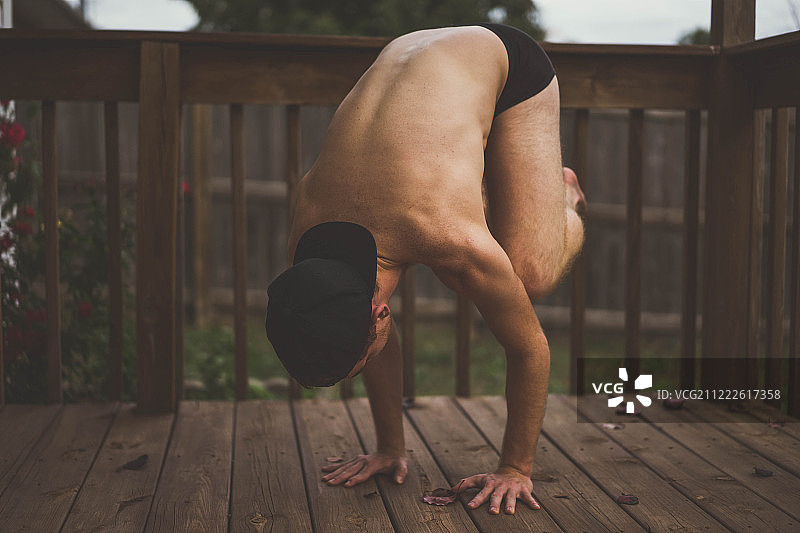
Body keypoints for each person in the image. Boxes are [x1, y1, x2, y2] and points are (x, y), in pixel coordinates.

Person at [266, 23, 585, 516]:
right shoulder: (308, 255)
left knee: (529, 276)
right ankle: (496, 190)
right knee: (466, 234)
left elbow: (530, 349)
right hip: (411, 50)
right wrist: (389, 448)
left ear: (379, 313)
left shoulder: (449, 238)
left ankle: (559, 199)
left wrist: (514, 468)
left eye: (359, 362)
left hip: (505, 63)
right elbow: (366, 331)